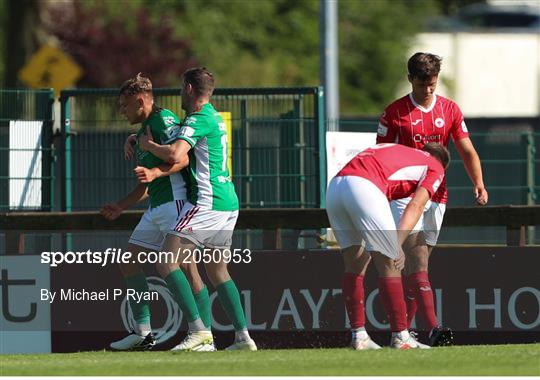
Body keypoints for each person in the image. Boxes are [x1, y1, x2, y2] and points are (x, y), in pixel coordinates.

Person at [137, 67, 257, 351]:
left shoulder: (199, 118)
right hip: (228, 201)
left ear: (189, 89)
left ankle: (199, 331)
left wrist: (148, 145)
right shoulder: (213, 117)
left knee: (167, 260)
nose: (179, 93)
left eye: (181, 87)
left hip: (207, 202)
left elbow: (177, 154)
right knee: (217, 271)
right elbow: (184, 139)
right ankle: (243, 338)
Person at [376, 52, 488, 346]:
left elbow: (466, 149)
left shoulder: (450, 109)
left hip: (437, 194)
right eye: (423, 83)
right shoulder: (394, 113)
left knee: (417, 266)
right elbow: (381, 156)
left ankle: (403, 334)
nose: (429, 89)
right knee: (418, 259)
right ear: (411, 79)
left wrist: (478, 182)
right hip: (404, 195)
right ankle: (433, 328)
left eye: (433, 84)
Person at [100, 73, 214, 351]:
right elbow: (147, 183)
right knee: (128, 262)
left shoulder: (163, 121)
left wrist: (153, 168)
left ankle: (202, 334)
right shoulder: (144, 130)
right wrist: (121, 206)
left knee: (187, 268)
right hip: (157, 208)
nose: (122, 111)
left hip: (176, 204)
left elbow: (182, 158)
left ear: (140, 102)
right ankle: (143, 333)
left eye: (125, 105)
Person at [328, 142, 450, 349]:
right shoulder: (435, 166)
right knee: (391, 262)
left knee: (354, 265)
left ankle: (359, 335)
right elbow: (416, 205)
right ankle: (401, 336)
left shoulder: (400, 150)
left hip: (335, 187)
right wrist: (396, 243)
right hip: (364, 186)